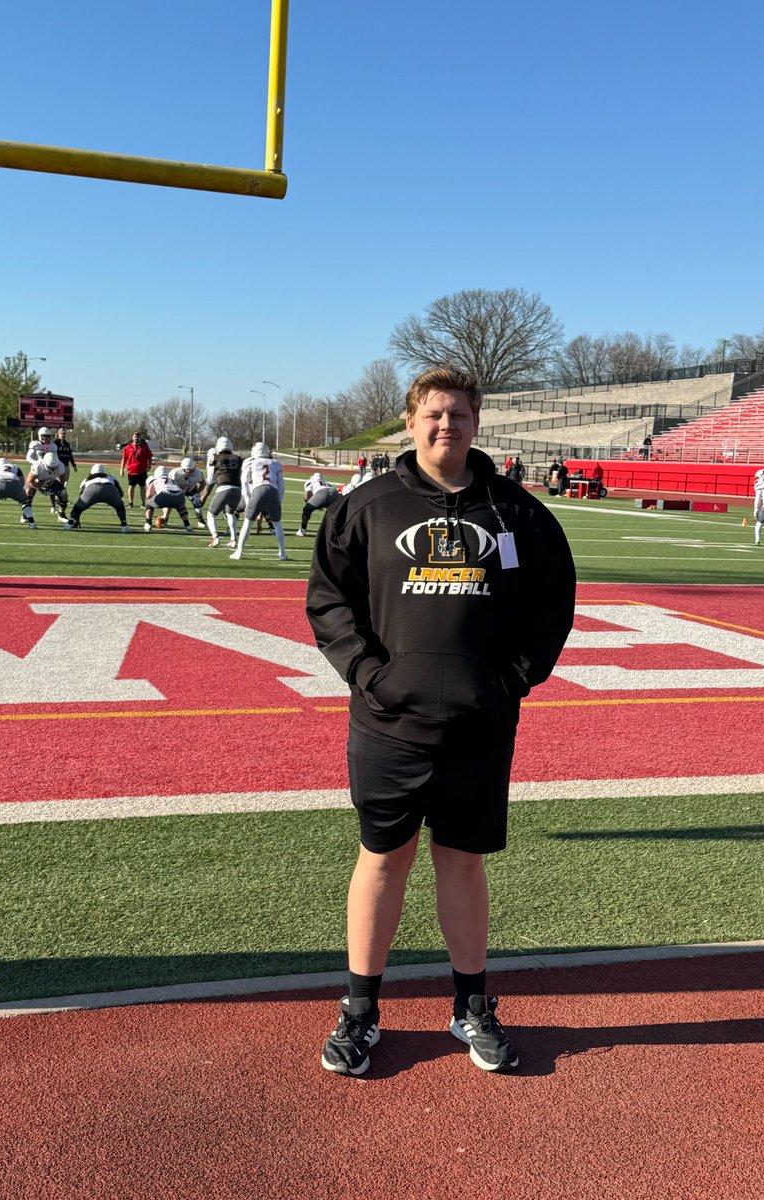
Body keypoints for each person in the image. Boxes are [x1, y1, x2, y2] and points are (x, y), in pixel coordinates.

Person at [306, 365, 575, 1078]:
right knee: (382, 859)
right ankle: (360, 1012)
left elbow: (552, 608)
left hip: (479, 730)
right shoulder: (366, 506)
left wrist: (510, 681)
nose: (445, 425)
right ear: (410, 421)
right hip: (386, 726)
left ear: (477, 423)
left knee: (462, 862)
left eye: (458, 414)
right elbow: (329, 600)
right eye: (432, 414)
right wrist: (369, 675)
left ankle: (471, 1007)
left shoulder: (517, 514)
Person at [229, 442, 287, 561]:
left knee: (248, 522)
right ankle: (282, 553)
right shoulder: (275, 463)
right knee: (277, 524)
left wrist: (247, 500)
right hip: (273, 491)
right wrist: (279, 500)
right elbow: (281, 485)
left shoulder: (250, 462)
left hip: (258, 490)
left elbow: (244, 482)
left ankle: (239, 551)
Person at [62, 464, 130, 532]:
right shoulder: (111, 478)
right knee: (120, 506)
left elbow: (81, 496)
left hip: (91, 490)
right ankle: (124, 526)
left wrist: (77, 517)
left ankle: (70, 524)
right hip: (109, 489)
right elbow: (121, 493)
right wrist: (117, 501)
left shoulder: (86, 480)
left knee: (78, 508)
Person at [202, 436, 243, 548]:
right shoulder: (238, 458)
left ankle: (215, 538)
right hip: (237, 490)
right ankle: (233, 539)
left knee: (211, 515)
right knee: (230, 514)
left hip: (223, 489)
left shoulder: (215, 457)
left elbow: (210, 479)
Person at [143, 465, 193, 533]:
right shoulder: (172, 480)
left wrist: (153, 499)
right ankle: (188, 525)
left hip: (165, 494)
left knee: (148, 504)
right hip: (179, 495)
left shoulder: (154, 479)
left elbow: (148, 495)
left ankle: (148, 523)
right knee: (181, 508)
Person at [25, 451, 69, 521]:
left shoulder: (60, 466)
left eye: (55, 467)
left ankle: (61, 515)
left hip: (51, 482)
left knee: (63, 493)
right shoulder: (38, 466)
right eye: (51, 467)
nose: (53, 469)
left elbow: (62, 480)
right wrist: (40, 488)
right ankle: (25, 515)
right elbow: (29, 481)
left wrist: (59, 490)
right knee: (28, 492)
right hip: (37, 482)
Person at [296, 471, 340, 536]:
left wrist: (311, 504)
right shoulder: (327, 483)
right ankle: (337, 530)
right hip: (335, 493)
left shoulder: (310, 482)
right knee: (334, 512)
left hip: (322, 493)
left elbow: (308, 494)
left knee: (307, 510)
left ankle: (302, 529)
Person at [171, 457, 208, 528]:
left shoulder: (198, 473)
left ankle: (200, 520)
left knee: (198, 504)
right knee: (171, 503)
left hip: (191, 489)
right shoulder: (175, 473)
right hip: (178, 490)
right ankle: (165, 518)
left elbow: (203, 483)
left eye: (190, 470)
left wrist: (197, 492)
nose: (188, 471)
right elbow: (170, 484)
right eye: (186, 470)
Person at [120, 431, 154, 508]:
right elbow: (123, 459)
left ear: (139, 438)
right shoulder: (127, 448)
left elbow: (149, 457)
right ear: (132, 437)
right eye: (135, 436)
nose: (136, 437)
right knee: (131, 486)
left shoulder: (144, 447)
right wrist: (121, 469)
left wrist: (149, 466)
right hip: (132, 471)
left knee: (142, 487)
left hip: (142, 470)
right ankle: (130, 503)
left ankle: (143, 503)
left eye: (138, 436)